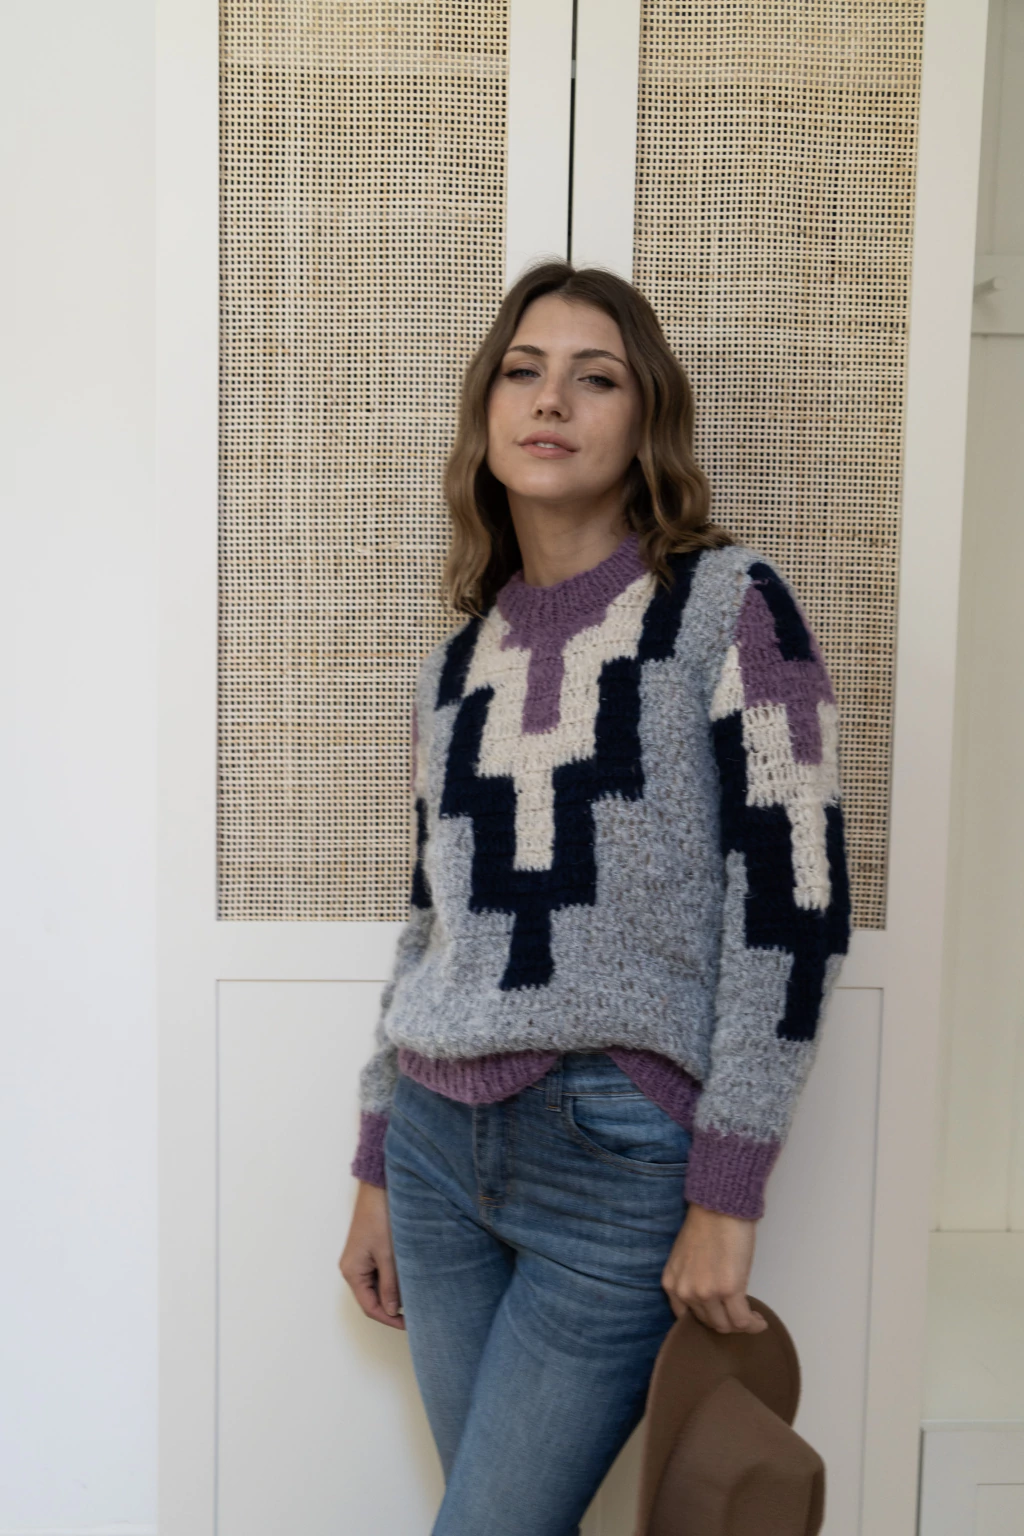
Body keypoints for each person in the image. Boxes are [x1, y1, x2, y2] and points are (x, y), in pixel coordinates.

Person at [339, 260, 851, 1536]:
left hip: (615, 1162)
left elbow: (795, 905)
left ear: (644, 417)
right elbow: (430, 924)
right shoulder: (454, 664)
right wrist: (374, 1164)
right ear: (486, 413)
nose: (551, 399)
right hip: (434, 1151)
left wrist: (727, 1191)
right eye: (522, 371)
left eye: (595, 376)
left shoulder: (730, 608)